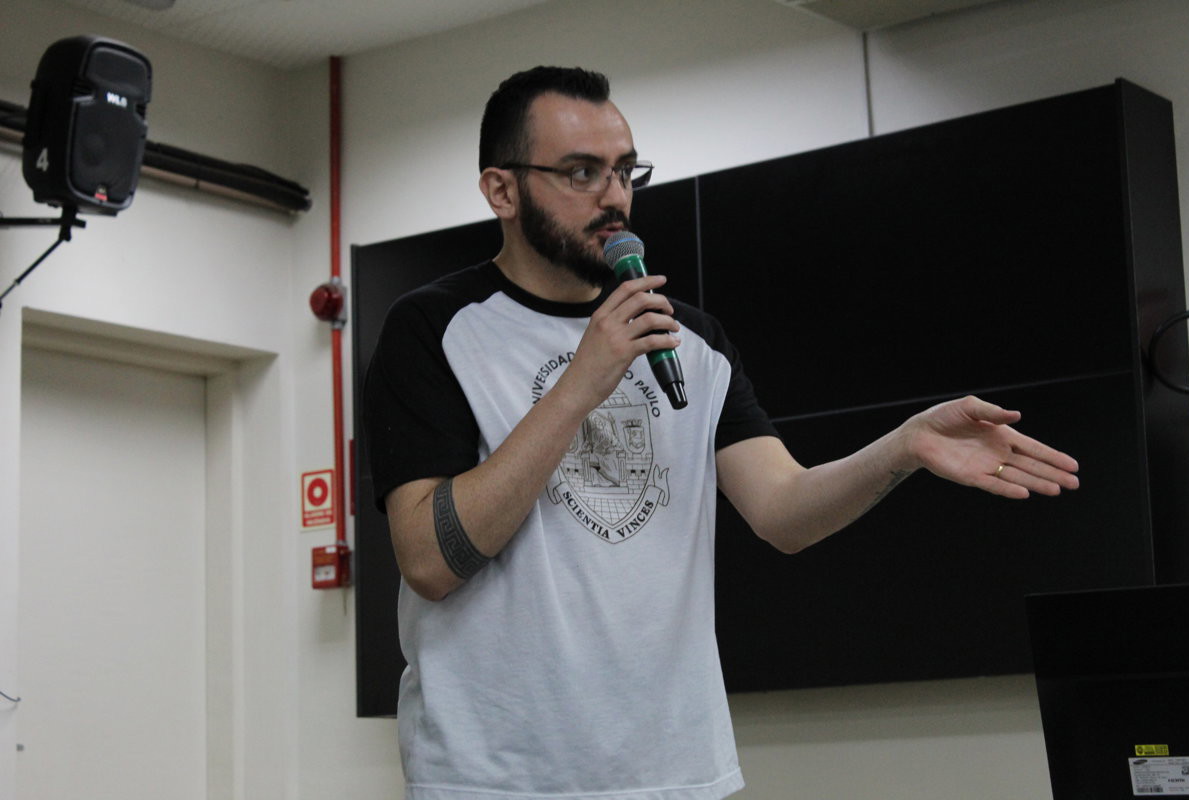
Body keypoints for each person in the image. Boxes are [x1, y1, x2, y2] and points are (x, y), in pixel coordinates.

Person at [363, 65, 1080, 800]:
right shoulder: (436, 329)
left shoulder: (689, 341)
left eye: (623, 171)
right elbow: (429, 559)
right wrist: (579, 386)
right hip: (499, 779)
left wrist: (902, 450)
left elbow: (784, 513)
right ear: (501, 190)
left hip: (678, 771)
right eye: (580, 172)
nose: (614, 197)